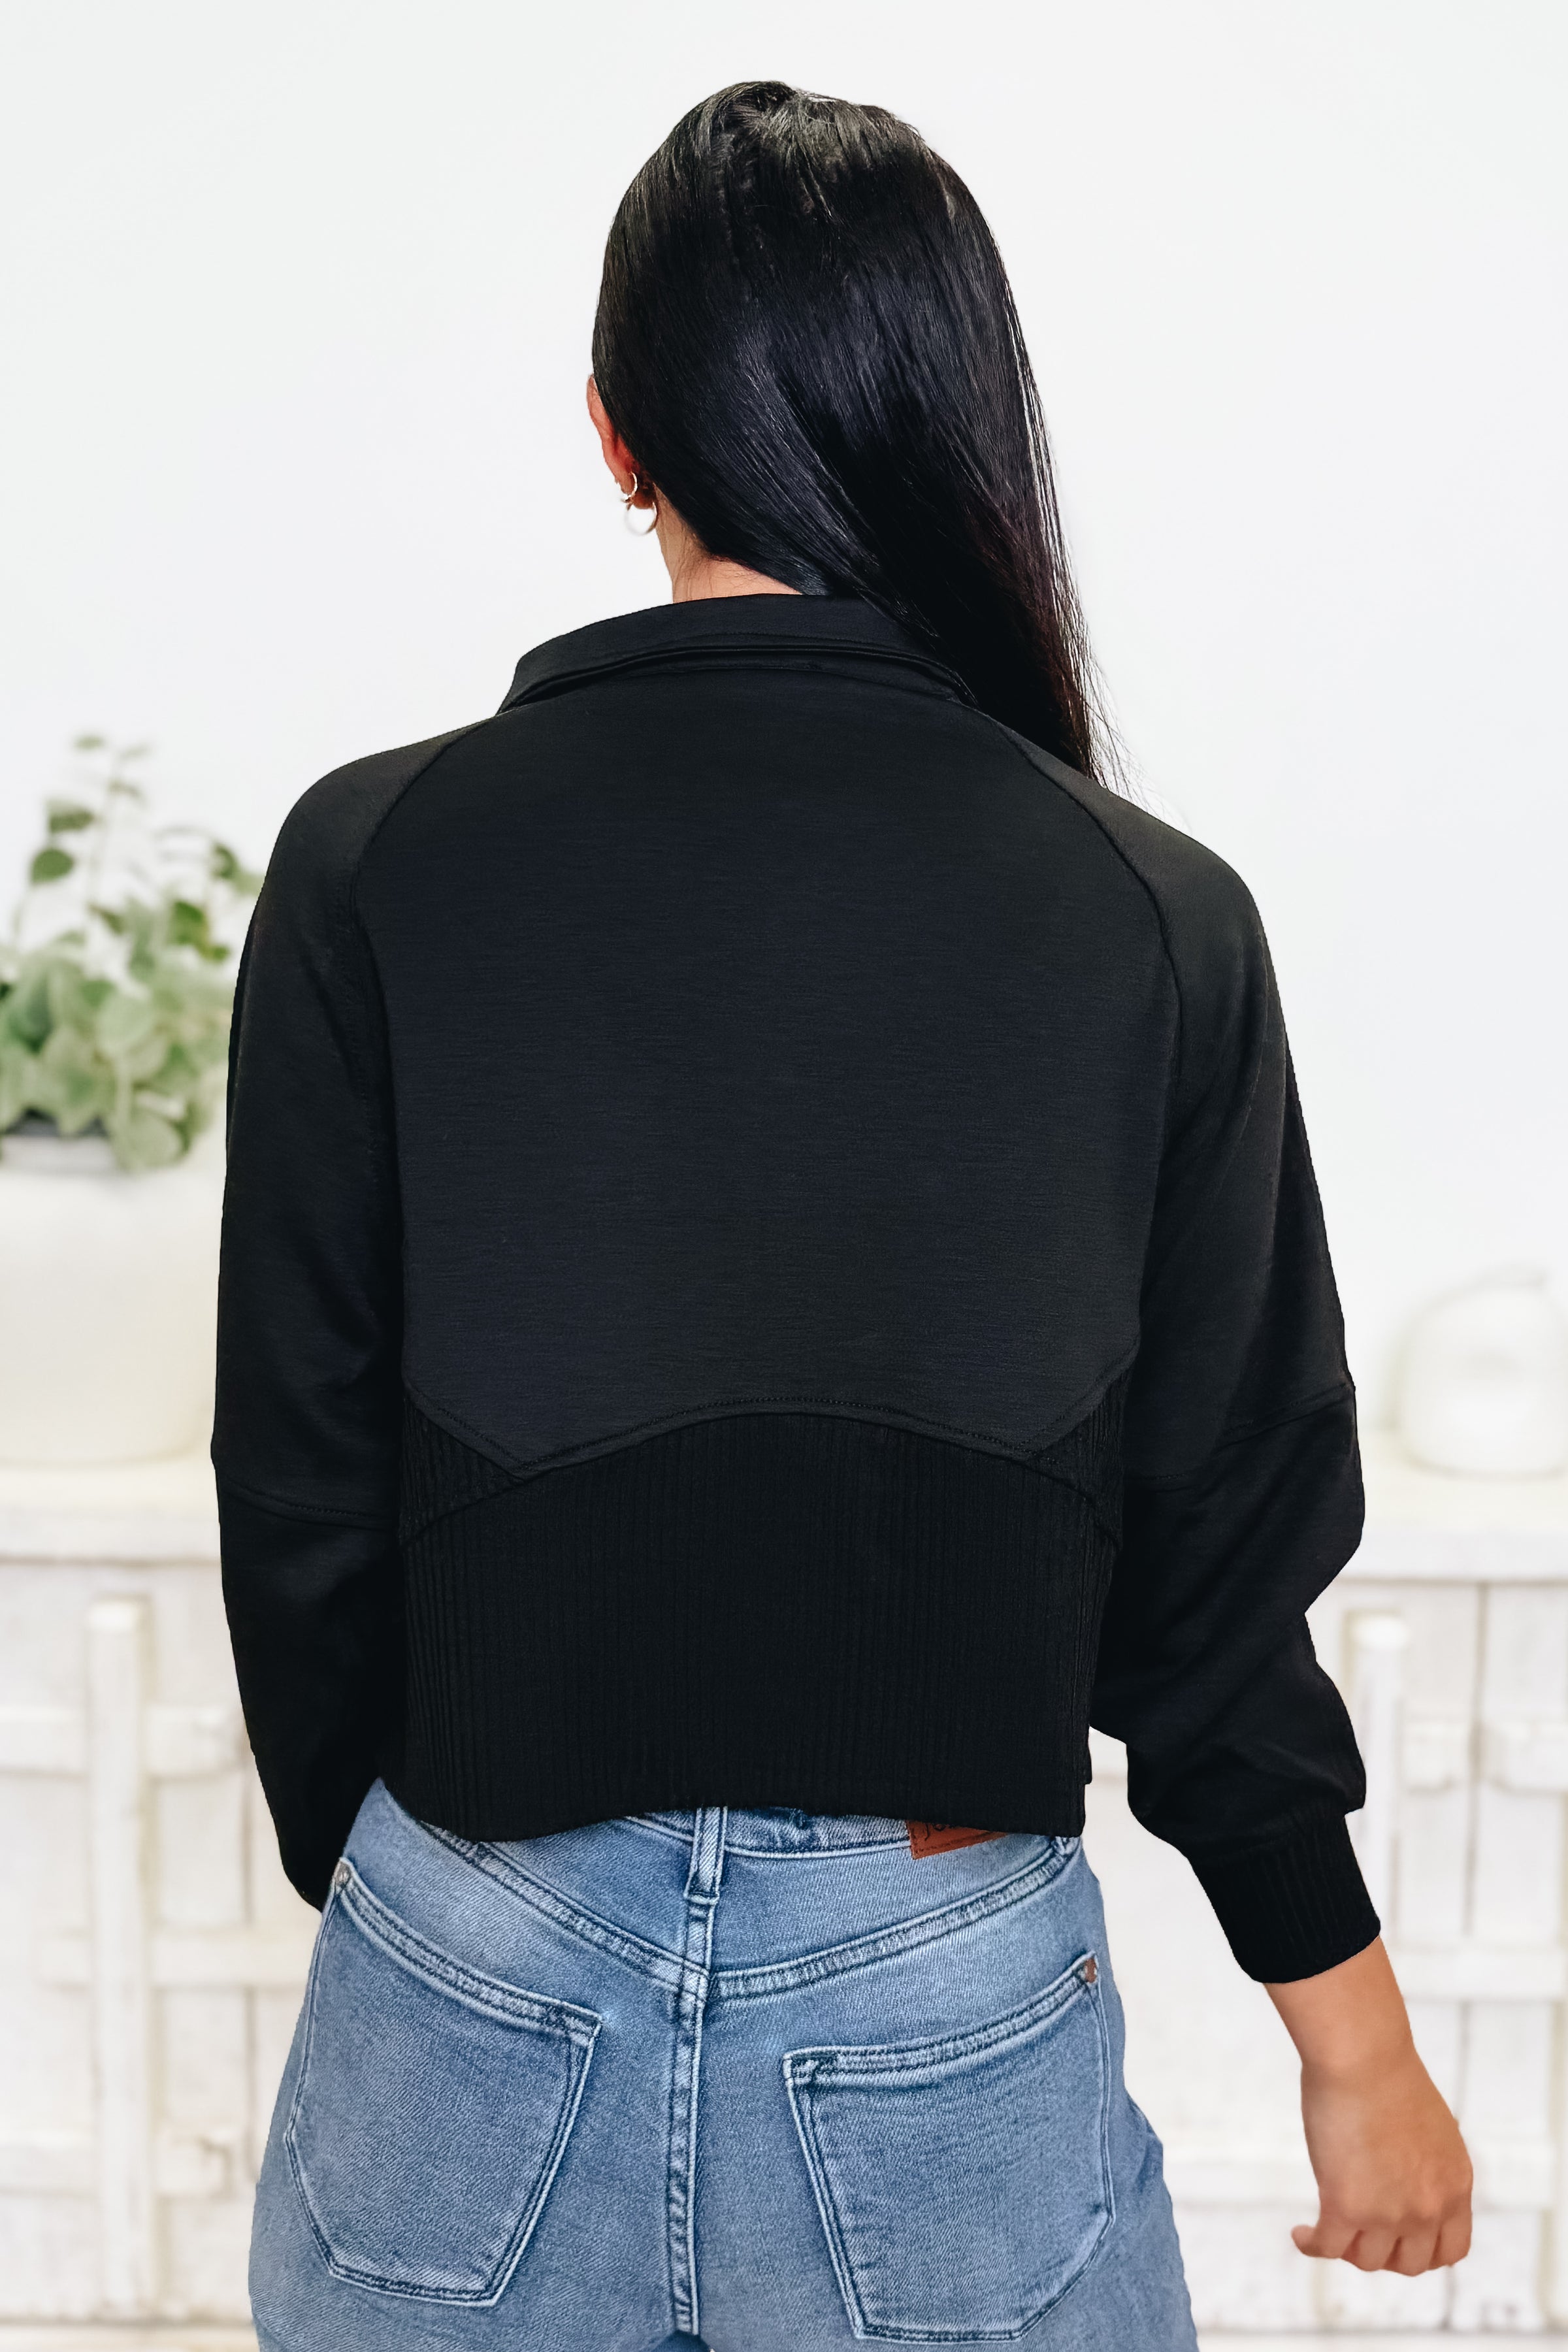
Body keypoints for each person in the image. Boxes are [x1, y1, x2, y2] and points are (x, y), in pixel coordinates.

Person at [215, 80, 1471, 2352]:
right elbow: (1215, 1572)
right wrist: (1356, 2050)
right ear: (951, 422)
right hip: (936, 1968)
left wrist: (426, 1893)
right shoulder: (1150, 913)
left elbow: (296, 1484)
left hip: (464, 1944)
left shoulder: (374, 860)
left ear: (617, 434)